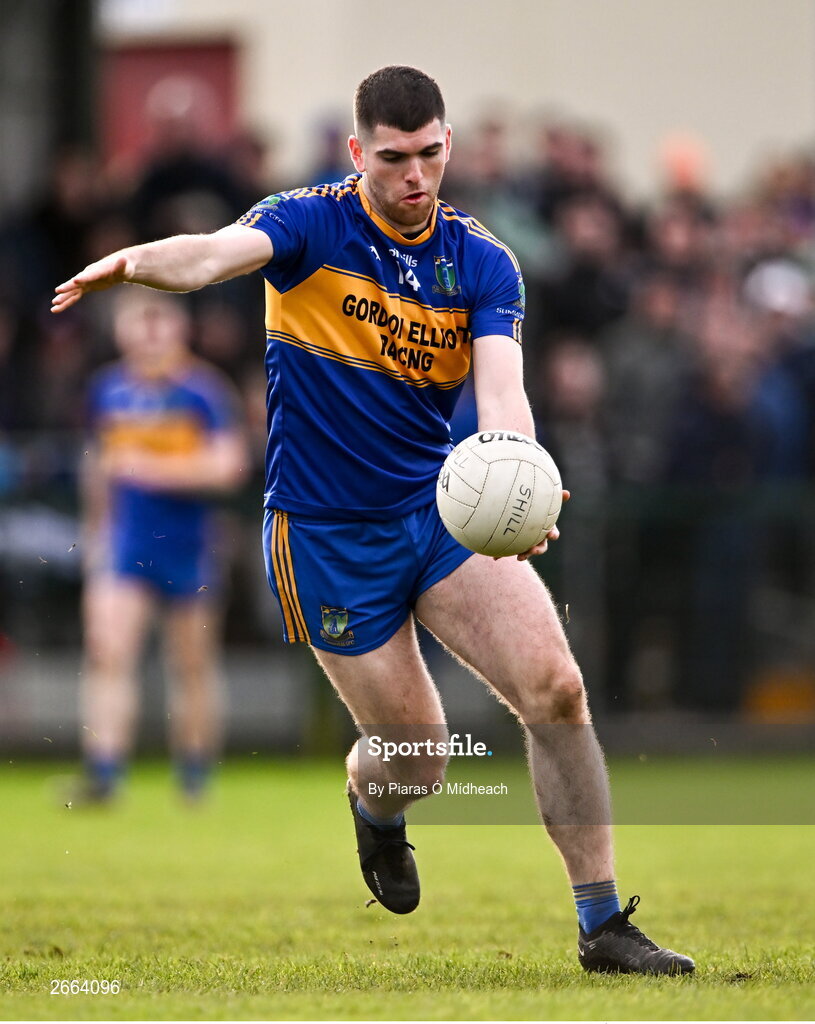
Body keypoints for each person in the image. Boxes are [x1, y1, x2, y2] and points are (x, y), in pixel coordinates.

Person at [53, 65, 693, 974]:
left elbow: (503, 390)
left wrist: (519, 479)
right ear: (359, 153)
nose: (414, 177)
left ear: (446, 147)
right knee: (418, 757)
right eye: (393, 159)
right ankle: (374, 805)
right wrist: (138, 264)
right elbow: (208, 255)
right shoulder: (305, 221)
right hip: (322, 534)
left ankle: (601, 926)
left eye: (430, 154)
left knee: (555, 686)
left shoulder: (481, 260)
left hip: (437, 511)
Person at [77, 288, 246, 801]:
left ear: (179, 328)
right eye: (139, 322)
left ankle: (194, 774)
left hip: (188, 544)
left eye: (159, 321)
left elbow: (228, 466)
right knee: (108, 653)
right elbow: (98, 466)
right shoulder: (107, 390)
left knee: (190, 664)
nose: (149, 333)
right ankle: (104, 772)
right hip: (126, 544)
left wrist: (149, 469)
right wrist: (95, 531)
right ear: (121, 330)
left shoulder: (203, 391)